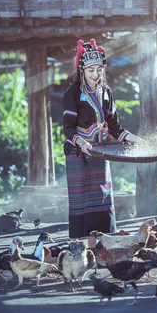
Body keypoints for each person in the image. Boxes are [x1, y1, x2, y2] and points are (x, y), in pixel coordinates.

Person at [62, 38, 143, 240]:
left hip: (101, 152)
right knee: (83, 203)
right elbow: (68, 129)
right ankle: (82, 248)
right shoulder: (72, 94)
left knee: (103, 200)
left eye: (99, 70)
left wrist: (136, 140)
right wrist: (83, 144)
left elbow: (114, 127)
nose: (96, 75)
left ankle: (104, 246)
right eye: (91, 70)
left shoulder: (106, 93)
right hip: (78, 154)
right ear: (82, 70)